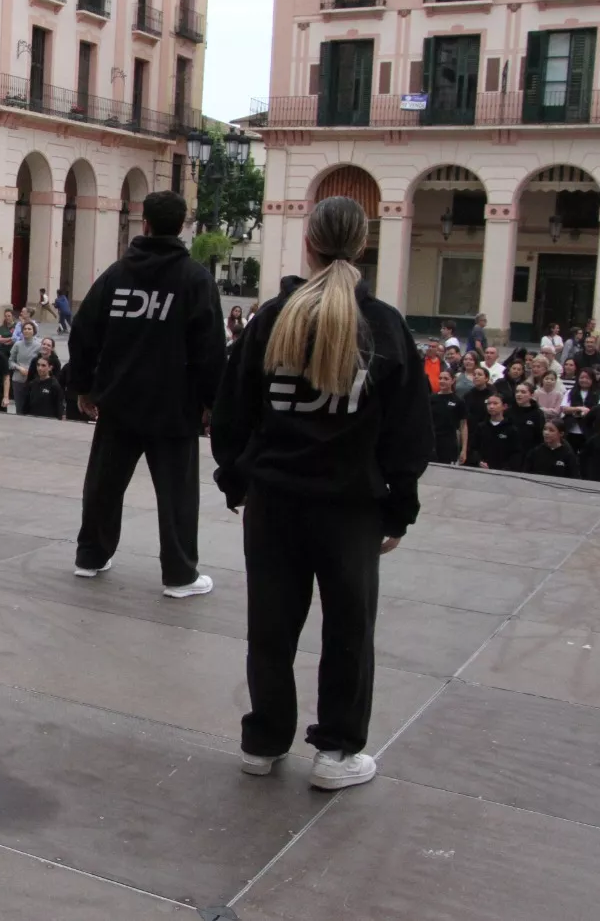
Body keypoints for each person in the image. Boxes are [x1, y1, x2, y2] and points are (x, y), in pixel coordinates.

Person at [211, 195, 432, 792]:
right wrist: (399, 509)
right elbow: (408, 431)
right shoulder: (383, 325)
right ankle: (336, 752)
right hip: (349, 507)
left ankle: (264, 741)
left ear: (307, 242)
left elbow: (232, 409)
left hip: (276, 501)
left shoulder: (272, 317)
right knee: (349, 630)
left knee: (271, 626)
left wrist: (236, 479)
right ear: (362, 246)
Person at [69, 190, 225, 594]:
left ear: (145, 223)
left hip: (119, 401)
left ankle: (90, 556)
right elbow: (210, 349)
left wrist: (85, 386)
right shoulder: (195, 279)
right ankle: (179, 575)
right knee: (177, 495)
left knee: (104, 483)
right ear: (183, 226)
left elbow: (84, 332)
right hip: (174, 407)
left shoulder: (117, 275)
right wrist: (212, 401)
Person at [471, 393, 523, 471]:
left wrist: (506, 467)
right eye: (489, 404)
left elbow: (516, 453)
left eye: (495, 403)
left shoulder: (511, 429)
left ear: (504, 406)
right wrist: (479, 461)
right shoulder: (481, 427)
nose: (491, 406)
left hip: (503, 471)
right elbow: (474, 448)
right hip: (483, 469)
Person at [430, 369, 466, 465]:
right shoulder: (431, 399)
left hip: (448, 442)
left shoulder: (458, 401)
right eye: (440, 378)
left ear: (453, 380)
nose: (442, 381)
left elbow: (463, 426)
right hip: (432, 440)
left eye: (446, 379)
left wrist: (464, 449)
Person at [8, 321, 41, 413]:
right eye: (25, 329)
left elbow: (41, 362)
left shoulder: (38, 346)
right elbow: (10, 361)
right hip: (18, 379)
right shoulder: (17, 344)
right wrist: (19, 368)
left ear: (34, 331)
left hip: (32, 380)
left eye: (29, 329)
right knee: (19, 407)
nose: (26, 331)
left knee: (31, 407)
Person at [509, 382, 545, 455]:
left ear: (531, 395)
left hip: (529, 454)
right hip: (510, 453)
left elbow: (540, 437)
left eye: (523, 392)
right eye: (517, 391)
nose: (519, 394)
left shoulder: (537, 414)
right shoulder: (508, 412)